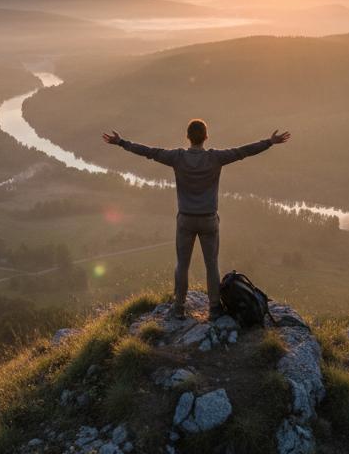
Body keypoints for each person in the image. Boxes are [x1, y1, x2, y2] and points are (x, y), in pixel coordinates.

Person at [102, 119, 290, 319]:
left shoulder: (178, 157)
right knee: (212, 265)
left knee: (182, 265)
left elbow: (149, 152)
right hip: (209, 219)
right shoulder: (215, 158)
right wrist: (269, 142)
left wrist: (121, 142)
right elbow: (243, 151)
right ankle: (215, 309)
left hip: (185, 219)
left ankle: (179, 307)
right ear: (206, 137)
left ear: (188, 137)